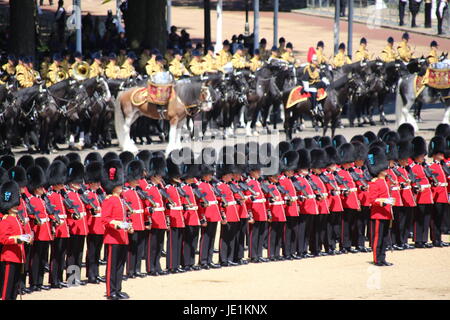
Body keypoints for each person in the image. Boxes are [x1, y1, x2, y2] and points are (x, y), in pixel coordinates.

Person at [101, 159, 132, 300]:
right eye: (118, 185)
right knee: (112, 266)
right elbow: (105, 219)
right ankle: (110, 291)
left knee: (120, 265)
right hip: (113, 237)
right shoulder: (109, 200)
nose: (121, 187)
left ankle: (118, 289)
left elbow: (125, 216)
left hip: (123, 237)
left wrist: (128, 226)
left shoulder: (121, 199)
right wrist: (118, 224)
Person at [0, 181, 30, 300]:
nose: (16, 206)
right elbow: (3, 239)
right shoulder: (6, 220)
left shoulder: (16, 219)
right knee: (7, 290)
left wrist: (27, 238)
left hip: (18, 256)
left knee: (14, 289)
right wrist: (18, 239)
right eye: (14, 205)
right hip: (9, 258)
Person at [193, 149, 222, 269]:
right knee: (205, 238)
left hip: (214, 214)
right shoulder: (200, 186)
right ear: (204, 174)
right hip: (207, 214)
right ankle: (203, 260)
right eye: (210, 174)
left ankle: (209, 259)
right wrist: (202, 217)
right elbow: (200, 204)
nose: (211, 176)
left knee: (212, 237)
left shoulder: (210, 185)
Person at [27, 166, 53, 292]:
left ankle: (40, 282)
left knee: (43, 259)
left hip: (46, 233)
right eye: (41, 187)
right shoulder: (32, 200)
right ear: (36, 188)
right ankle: (34, 283)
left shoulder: (43, 200)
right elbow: (31, 216)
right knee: (35, 259)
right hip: (38, 233)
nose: (43, 189)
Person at [367, 147, 394, 266]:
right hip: (378, 213)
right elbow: (371, 199)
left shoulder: (386, 182)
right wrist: (384, 201)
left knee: (384, 238)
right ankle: (377, 259)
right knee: (378, 238)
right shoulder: (375, 183)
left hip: (387, 213)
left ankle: (383, 258)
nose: (386, 169)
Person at [46, 160, 70, 289]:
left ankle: (59, 278)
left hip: (64, 228)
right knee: (55, 254)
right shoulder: (50, 194)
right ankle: (53, 280)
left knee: (62, 254)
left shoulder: (62, 193)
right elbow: (48, 211)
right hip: (57, 228)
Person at [142, 156, 168, 276]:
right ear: (153, 176)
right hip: (154, 219)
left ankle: (157, 266)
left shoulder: (159, 188)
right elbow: (145, 207)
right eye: (159, 176)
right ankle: (150, 267)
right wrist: (148, 220)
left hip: (161, 219)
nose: (161, 178)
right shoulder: (149, 189)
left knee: (159, 245)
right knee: (151, 246)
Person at [63, 161, 88, 286]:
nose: (79, 183)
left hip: (81, 228)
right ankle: (71, 278)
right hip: (73, 228)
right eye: (77, 181)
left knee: (79, 253)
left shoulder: (79, 194)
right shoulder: (68, 194)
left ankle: (76, 277)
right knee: (72, 254)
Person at [122, 160, 147, 278]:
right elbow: (125, 211)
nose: (139, 180)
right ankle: (130, 270)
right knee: (131, 248)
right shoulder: (125, 192)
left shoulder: (137, 191)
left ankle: (137, 269)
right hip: (132, 223)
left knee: (139, 247)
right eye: (137, 178)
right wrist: (128, 225)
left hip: (140, 222)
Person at [215, 153, 240, 267]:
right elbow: (220, 203)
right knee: (224, 238)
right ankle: (223, 259)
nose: (232, 176)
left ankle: (230, 258)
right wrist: (223, 216)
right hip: (227, 214)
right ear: (225, 175)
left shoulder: (231, 185)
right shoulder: (219, 186)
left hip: (234, 214)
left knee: (232, 237)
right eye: (230, 174)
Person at [335, 143, 361, 254]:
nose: (351, 163)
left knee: (351, 225)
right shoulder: (339, 173)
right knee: (344, 225)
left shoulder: (351, 172)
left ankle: (349, 245)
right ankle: (343, 245)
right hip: (346, 202)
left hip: (353, 201)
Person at [83, 160, 106, 284]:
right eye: (96, 182)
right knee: (91, 252)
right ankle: (90, 274)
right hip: (92, 227)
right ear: (90, 182)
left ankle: (96, 273)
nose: (98, 184)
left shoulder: (99, 193)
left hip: (100, 227)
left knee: (97, 251)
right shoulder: (87, 194)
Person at [409, 137, 434, 248]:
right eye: (421, 156)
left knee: (426, 218)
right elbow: (413, 181)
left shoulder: (425, 166)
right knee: (418, 218)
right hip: (420, 196)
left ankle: (424, 239)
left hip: (428, 196)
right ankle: (418, 240)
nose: (423, 158)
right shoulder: (412, 167)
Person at [428, 136, 449, 247]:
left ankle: (439, 239)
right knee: (435, 218)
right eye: (440, 153)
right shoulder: (431, 166)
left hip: (443, 195)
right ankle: (435, 239)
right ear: (435, 154)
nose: (442, 155)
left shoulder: (443, 166)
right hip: (437, 195)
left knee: (440, 218)